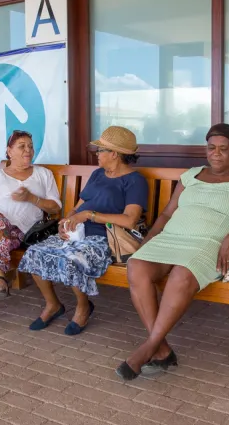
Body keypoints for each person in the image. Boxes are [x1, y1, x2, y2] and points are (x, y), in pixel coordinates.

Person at [117, 123, 229, 380]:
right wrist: (148, 241)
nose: (216, 153)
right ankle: (161, 348)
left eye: (224, 149)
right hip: (171, 239)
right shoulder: (191, 176)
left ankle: (148, 347)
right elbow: (167, 213)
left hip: (208, 244)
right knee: (137, 266)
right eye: (212, 148)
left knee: (182, 274)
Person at [18, 126, 148, 336]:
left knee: (73, 260)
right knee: (35, 252)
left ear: (114, 154)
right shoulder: (98, 174)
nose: (97, 154)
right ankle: (53, 305)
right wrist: (67, 222)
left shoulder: (134, 181)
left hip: (105, 238)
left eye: (101, 150)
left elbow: (130, 220)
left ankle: (83, 306)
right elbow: (78, 206)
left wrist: (89, 215)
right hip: (78, 233)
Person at [0, 130, 62, 335]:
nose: (28, 150)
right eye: (22, 146)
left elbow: (55, 208)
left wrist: (32, 198)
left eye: (30, 146)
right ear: (9, 151)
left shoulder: (43, 174)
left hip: (24, 232)